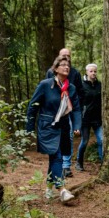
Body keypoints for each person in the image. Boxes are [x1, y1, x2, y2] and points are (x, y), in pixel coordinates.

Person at [27, 54, 80, 203]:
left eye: (68, 65)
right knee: (56, 155)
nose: (66, 67)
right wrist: (29, 127)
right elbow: (33, 106)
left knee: (55, 157)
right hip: (47, 126)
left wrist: (76, 126)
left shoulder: (71, 88)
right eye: (63, 65)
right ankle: (62, 189)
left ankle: (49, 189)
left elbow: (76, 109)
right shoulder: (45, 85)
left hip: (63, 127)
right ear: (56, 69)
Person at [45, 47, 84, 176]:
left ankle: (66, 166)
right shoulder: (51, 72)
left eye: (68, 56)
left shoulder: (75, 73)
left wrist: (78, 109)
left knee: (69, 135)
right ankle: (57, 163)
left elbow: (80, 91)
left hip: (70, 110)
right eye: (64, 56)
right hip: (55, 112)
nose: (67, 58)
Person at [75, 63, 104, 169]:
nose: (93, 73)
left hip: (97, 119)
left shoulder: (100, 85)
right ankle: (79, 162)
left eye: (95, 71)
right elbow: (77, 104)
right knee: (85, 141)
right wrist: (77, 123)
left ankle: (103, 163)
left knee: (101, 140)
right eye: (91, 71)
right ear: (86, 72)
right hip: (85, 119)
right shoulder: (81, 86)